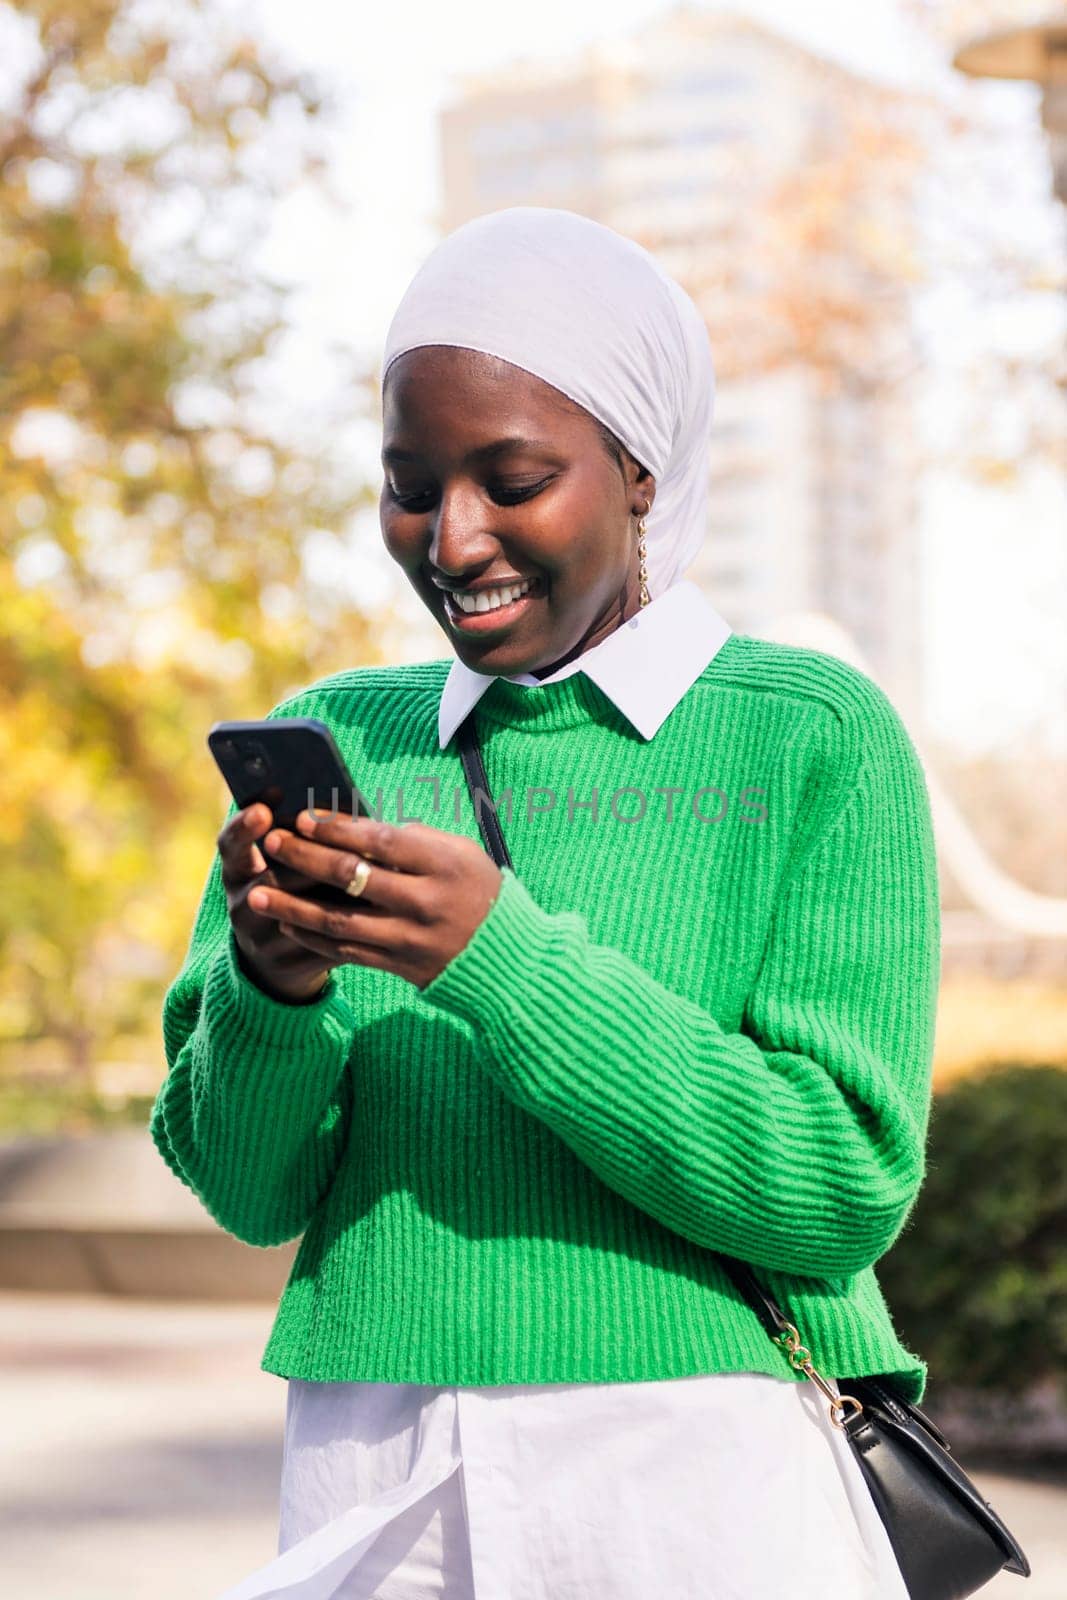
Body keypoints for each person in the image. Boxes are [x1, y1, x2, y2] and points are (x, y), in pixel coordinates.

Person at [151, 206, 941, 1599]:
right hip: (374, 1470)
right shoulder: (344, 733)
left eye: (512, 480)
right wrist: (271, 993)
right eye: (411, 482)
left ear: (640, 473)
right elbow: (245, 1187)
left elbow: (837, 1188)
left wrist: (497, 959)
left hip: (704, 1473)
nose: (452, 540)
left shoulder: (808, 734)